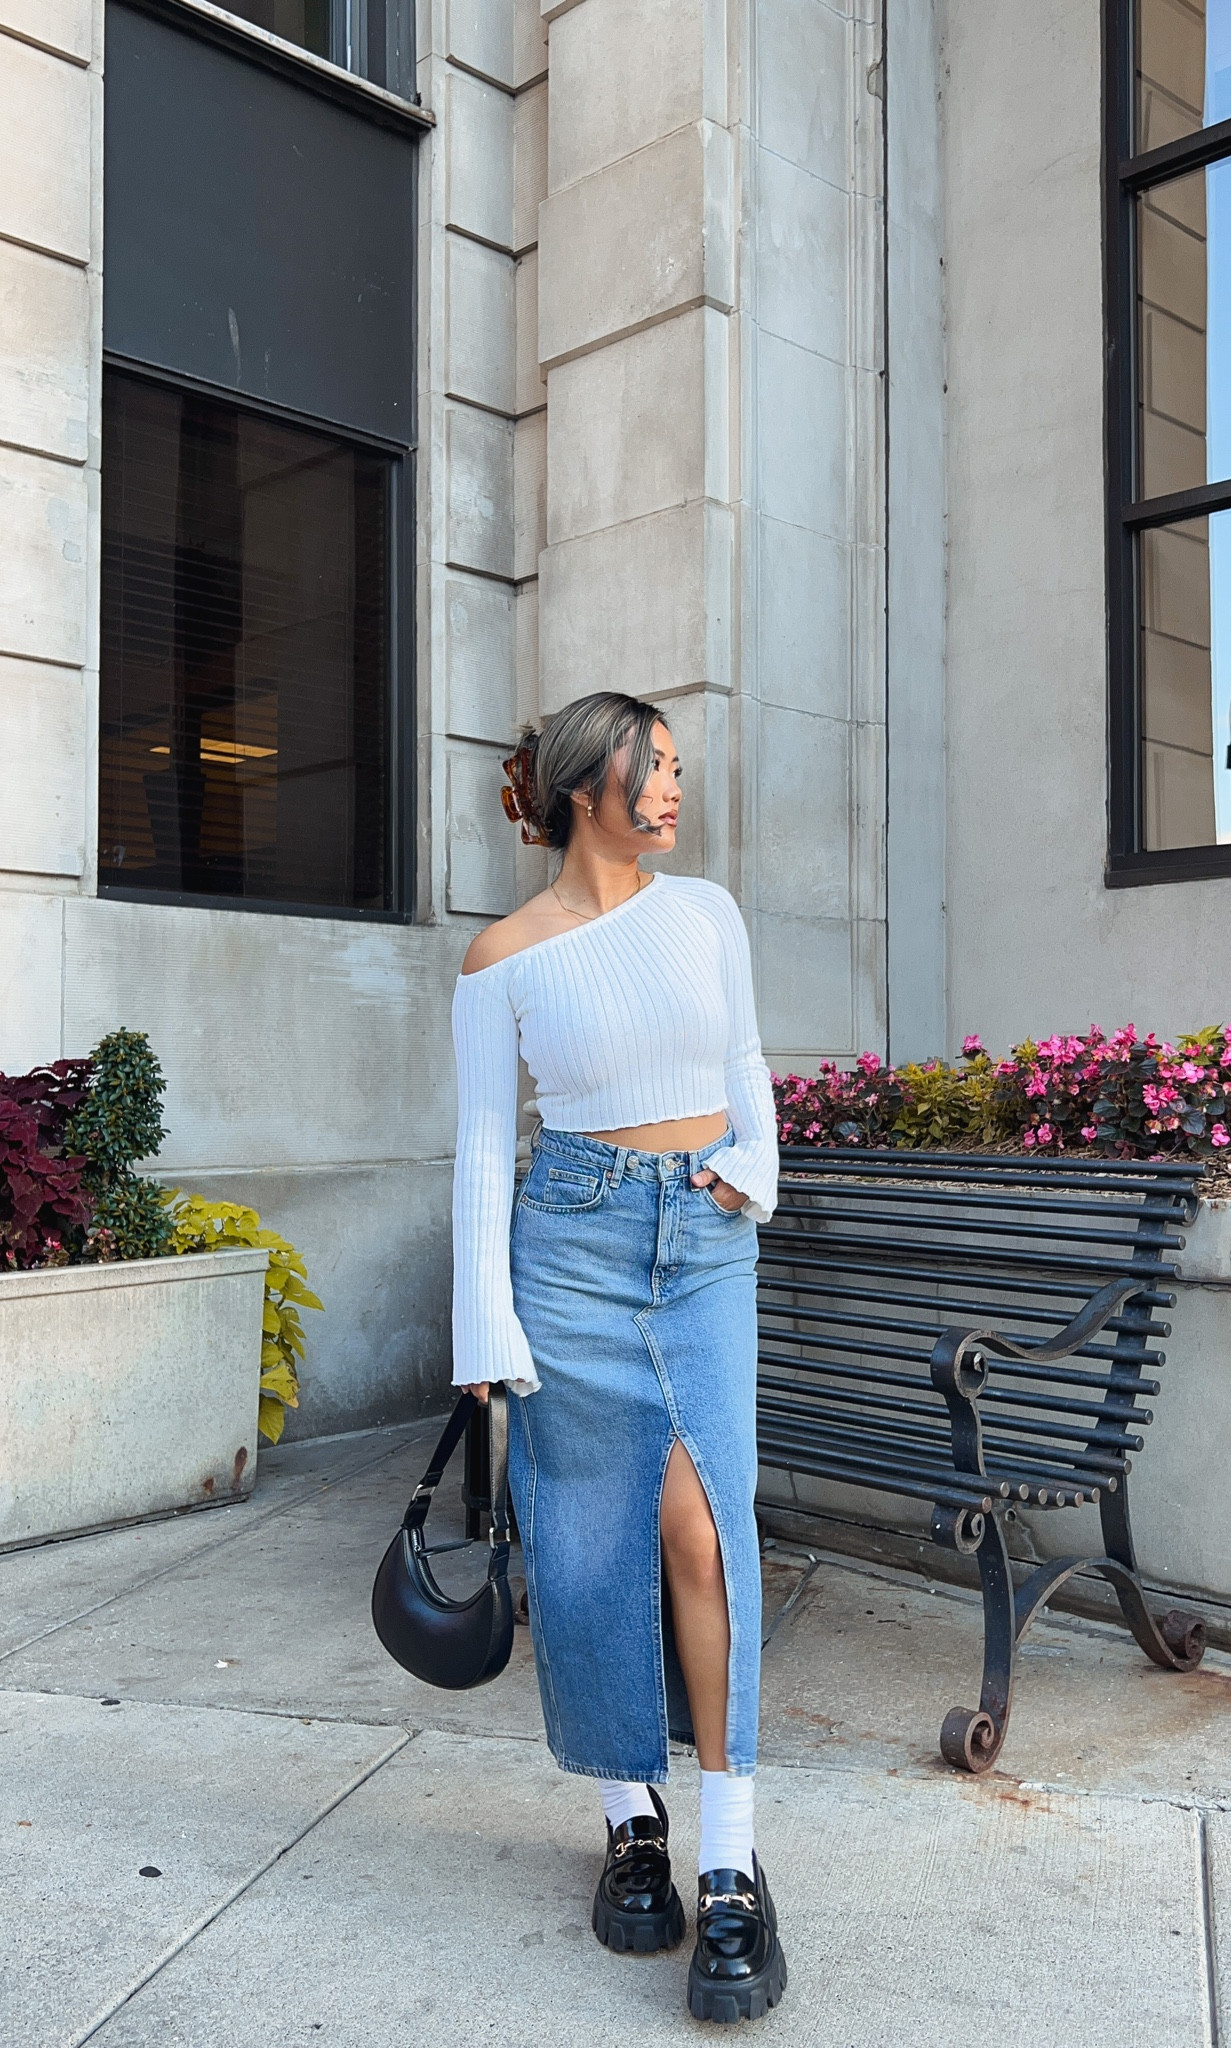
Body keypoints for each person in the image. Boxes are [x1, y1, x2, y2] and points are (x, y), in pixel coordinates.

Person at [451, 691, 785, 2024]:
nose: (673, 791)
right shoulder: (503, 957)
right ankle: (628, 1819)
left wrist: (754, 1170)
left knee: (704, 1532)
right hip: (570, 1245)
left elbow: (748, 1059)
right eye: (654, 770)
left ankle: (728, 1853)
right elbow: (485, 1144)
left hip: (701, 1242)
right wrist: (484, 1317)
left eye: (679, 772)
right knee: (589, 1539)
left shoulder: (707, 914)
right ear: (587, 785)